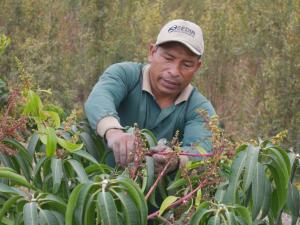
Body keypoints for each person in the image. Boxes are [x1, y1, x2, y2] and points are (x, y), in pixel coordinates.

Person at [84, 19, 216, 174]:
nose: (174, 71)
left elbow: (203, 152)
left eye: (186, 64)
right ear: (152, 52)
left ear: (197, 67)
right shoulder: (125, 75)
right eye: (168, 58)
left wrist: (176, 160)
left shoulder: (200, 110)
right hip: (99, 188)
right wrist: (113, 132)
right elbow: (99, 98)